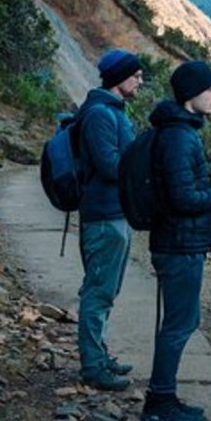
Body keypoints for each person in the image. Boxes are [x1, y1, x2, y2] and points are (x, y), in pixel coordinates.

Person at [141, 60, 211, 421]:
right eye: (210, 88)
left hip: (178, 241)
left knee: (180, 322)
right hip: (178, 244)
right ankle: (159, 403)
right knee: (180, 324)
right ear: (191, 93)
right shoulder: (180, 137)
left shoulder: (179, 132)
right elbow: (182, 197)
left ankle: (164, 397)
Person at [76, 49, 143, 391]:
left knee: (107, 288)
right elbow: (109, 165)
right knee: (99, 290)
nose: (140, 80)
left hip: (114, 213)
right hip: (104, 215)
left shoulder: (112, 111)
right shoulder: (101, 115)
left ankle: (99, 355)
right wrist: (140, 167)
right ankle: (93, 365)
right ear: (119, 78)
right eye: (136, 75)